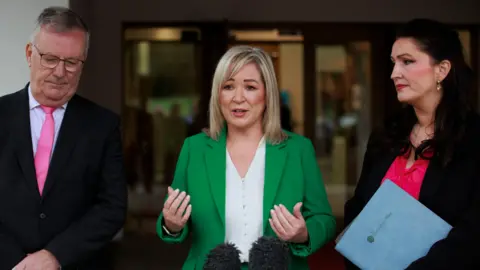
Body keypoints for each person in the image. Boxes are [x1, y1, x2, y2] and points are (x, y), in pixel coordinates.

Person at [156, 45, 336, 269]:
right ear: (218, 94)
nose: (238, 98)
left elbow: (324, 220)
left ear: (267, 93)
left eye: (250, 87)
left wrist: (303, 233)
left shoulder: (298, 149)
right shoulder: (194, 149)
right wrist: (171, 224)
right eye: (228, 86)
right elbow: (170, 219)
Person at [344, 18, 480, 269]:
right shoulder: (386, 136)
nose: (395, 73)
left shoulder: (472, 139)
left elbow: (472, 233)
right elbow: (358, 207)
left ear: (442, 69)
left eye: (407, 61)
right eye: (394, 63)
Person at [0, 7, 127, 269]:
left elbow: (112, 207)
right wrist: (16, 262)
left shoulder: (103, 126)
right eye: (50, 59)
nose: (60, 72)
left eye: (71, 62)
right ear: (29, 54)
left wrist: (55, 255)